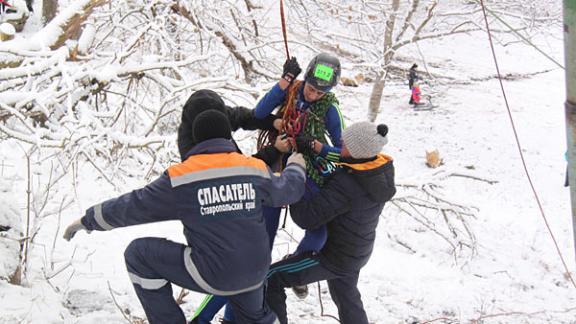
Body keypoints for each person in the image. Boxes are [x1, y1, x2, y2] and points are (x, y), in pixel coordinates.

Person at [63, 109, 307, 324]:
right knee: (254, 318)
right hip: (256, 270)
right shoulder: (252, 167)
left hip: (214, 273)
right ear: (227, 138)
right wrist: (296, 165)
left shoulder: (182, 178)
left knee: (138, 255)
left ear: (195, 140)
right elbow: (289, 190)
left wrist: (89, 220)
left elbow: (133, 206)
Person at [193, 53, 344, 323]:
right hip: (274, 174)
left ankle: (293, 267)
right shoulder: (292, 92)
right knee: (254, 257)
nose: (312, 94)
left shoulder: (331, 109)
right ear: (305, 79)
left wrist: (316, 146)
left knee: (319, 233)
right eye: (310, 87)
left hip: (307, 174)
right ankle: (224, 317)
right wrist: (285, 82)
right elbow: (260, 113)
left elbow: (343, 152)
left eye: (320, 92)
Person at [265, 121, 396, 324]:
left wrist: (295, 176)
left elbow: (306, 218)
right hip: (357, 250)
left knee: (272, 277)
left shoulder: (348, 185)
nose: (340, 144)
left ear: (355, 152)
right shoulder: (377, 171)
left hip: (335, 257)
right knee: (346, 296)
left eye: (344, 145)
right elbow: (344, 160)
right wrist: (316, 147)